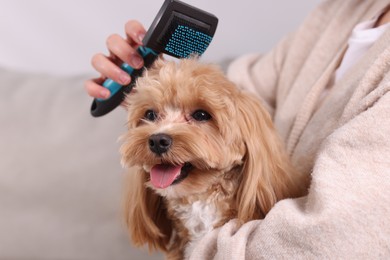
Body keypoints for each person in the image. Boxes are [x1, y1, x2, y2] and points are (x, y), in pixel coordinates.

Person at [85, 0, 390, 258]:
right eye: (152, 116)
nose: (161, 133)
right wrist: (149, 80)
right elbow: (245, 91)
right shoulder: (345, 9)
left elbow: (330, 239)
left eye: (199, 115)